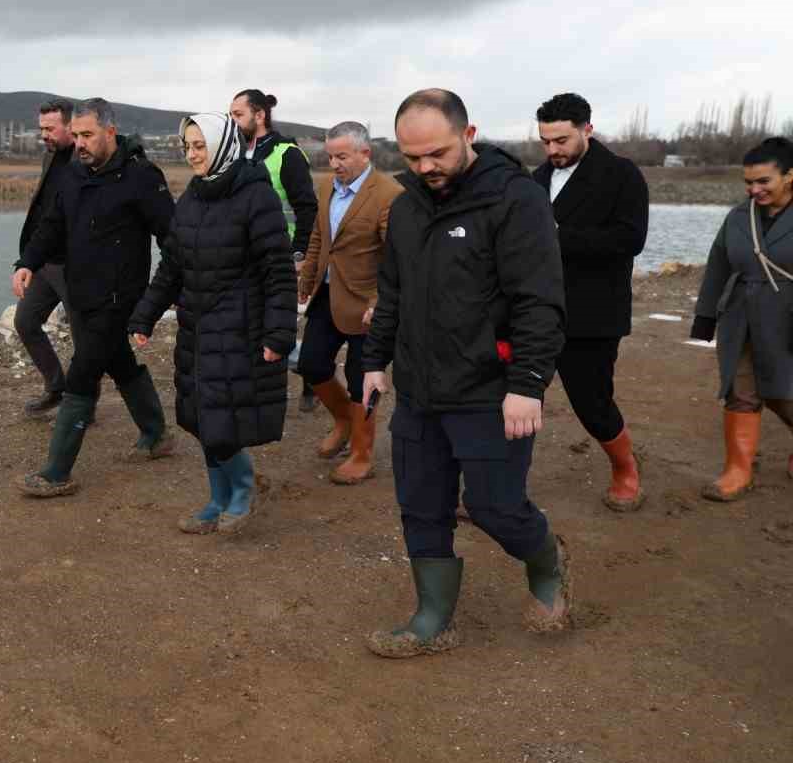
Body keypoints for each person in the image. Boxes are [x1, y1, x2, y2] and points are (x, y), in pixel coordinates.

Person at [362, 89, 571, 658]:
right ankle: (433, 618)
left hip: (490, 390)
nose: (426, 167)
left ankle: (547, 562)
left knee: (495, 508)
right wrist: (375, 361)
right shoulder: (406, 208)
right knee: (421, 505)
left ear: (469, 135)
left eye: (438, 153)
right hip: (421, 392)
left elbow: (539, 301)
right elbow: (393, 293)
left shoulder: (515, 201)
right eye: (412, 157)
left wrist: (528, 385)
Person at [128, 113, 297, 535]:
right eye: (187, 147)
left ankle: (240, 491)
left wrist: (279, 333)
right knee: (201, 415)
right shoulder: (193, 197)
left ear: (223, 144)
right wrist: (144, 314)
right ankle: (217, 498)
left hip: (240, 328)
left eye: (199, 146)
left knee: (223, 418)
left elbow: (278, 271)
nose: (192, 155)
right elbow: (172, 267)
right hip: (198, 327)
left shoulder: (256, 196)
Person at [12, 97, 177, 497]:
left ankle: (55, 474)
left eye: (88, 135)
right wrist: (28, 261)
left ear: (110, 132)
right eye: (78, 135)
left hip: (122, 296)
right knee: (118, 362)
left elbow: (172, 239)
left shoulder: (141, 176)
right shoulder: (74, 173)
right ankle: (156, 435)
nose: (80, 142)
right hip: (82, 290)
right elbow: (52, 225)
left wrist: (165, 293)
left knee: (82, 374)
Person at [531, 93, 650, 511]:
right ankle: (498, 487)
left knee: (592, 401)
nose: (552, 150)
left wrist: (557, 237)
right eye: (545, 141)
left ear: (587, 130)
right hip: (535, 310)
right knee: (515, 395)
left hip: (593, 313)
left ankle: (625, 469)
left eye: (561, 140)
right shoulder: (537, 177)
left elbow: (631, 239)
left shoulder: (621, 175)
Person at [295, 121, 403, 485]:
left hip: (368, 302)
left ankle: (361, 452)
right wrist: (307, 279)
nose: (334, 163)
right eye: (330, 156)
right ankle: (343, 419)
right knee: (311, 364)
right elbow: (317, 237)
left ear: (365, 153)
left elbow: (398, 257)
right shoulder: (327, 186)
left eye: (341, 156)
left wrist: (384, 302)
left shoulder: (389, 194)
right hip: (328, 294)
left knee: (362, 379)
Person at [690, 136, 793, 500]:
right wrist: (705, 315)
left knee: (784, 393)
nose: (754, 189)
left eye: (763, 181)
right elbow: (718, 264)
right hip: (741, 316)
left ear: (789, 175)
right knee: (741, 391)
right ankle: (738, 470)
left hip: (787, 317)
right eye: (748, 182)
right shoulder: (738, 216)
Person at [231, 89, 319, 413]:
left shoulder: (287, 154)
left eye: (238, 114)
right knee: (248, 322)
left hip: (281, 254)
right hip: (247, 253)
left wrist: (299, 254)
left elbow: (307, 208)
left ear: (259, 115)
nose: (233, 121)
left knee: (270, 325)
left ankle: (313, 371)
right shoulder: (237, 153)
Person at [12, 98, 76, 417]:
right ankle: (56, 388)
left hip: (76, 266)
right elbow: (44, 214)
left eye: (50, 128)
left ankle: (81, 403)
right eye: (42, 129)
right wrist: (27, 261)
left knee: (85, 340)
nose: (45, 135)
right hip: (46, 263)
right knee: (24, 321)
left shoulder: (85, 161)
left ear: (71, 126)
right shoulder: (49, 158)